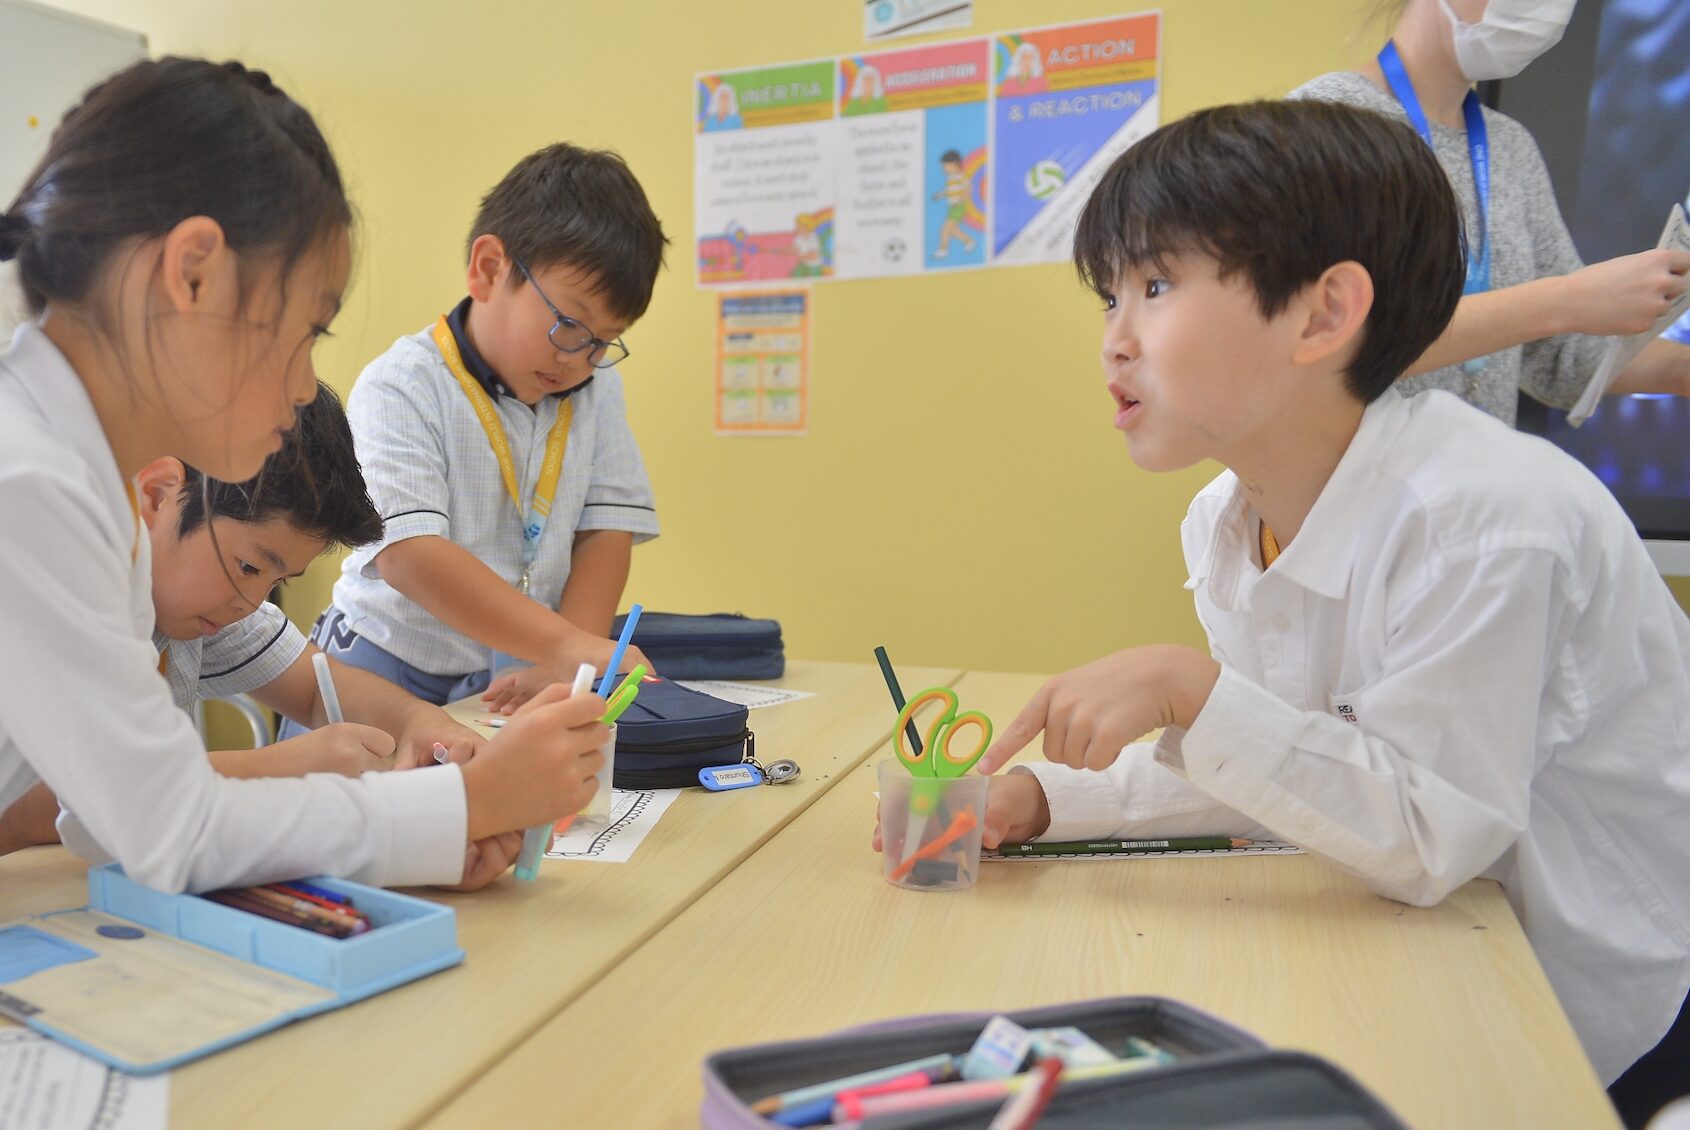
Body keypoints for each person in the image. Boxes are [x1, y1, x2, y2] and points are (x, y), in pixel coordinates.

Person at [935, 100, 1689, 1122]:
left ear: (1325, 313)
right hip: (1437, 946)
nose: (1113, 339)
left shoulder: (1486, 521)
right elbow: (1296, 771)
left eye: (1153, 285)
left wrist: (1188, 689)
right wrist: (1043, 804)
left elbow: (1426, 836)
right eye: (1109, 295)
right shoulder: (1224, 517)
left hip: (1596, 995)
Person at [0, 57, 606, 892]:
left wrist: (445, 819)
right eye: (307, 330)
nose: (300, 386)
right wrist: (464, 805)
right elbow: (174, 827)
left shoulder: (78, 481)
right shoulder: (27, 486)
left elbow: (117, 814)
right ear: (193, 274)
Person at [286, 143, 664, 727]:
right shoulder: (401, 384)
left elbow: (605, 529)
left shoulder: (596, 388)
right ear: (488, 269)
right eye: (569, 325)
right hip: (382, 663)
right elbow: (408, 555)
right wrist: (561, 646)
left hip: (506, 672)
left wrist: (572, 660)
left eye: (603, 341)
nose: (581, 360)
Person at [1289, 0, 1690, 425]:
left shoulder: (1511, 147)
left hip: (1473, 487)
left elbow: (1564, 360)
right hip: (1354, 486)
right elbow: (1331, 341)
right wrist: (1566, 300)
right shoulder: (1325, 119)